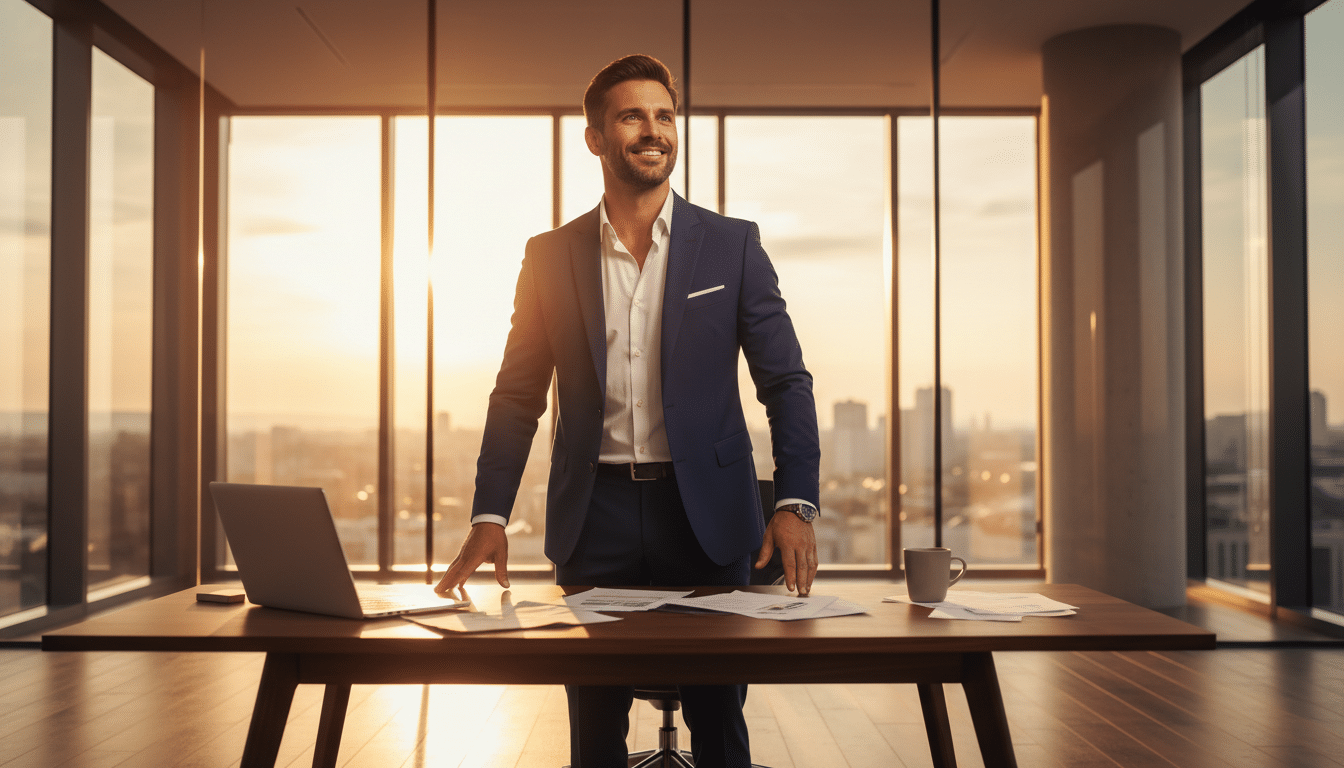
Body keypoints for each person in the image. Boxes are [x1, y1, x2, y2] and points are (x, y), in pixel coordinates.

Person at [435, 53, 821, 768]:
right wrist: (490, 514)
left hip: (706, 519)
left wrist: (796, 501)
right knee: (594, 734)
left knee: (721, 731)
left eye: (664, 115)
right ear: (595, 138)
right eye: (632, 116)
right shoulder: (549, 256)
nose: (654, 130)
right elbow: (517, 394)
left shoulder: (732, 246)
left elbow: (786, 382)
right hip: (595, 518)